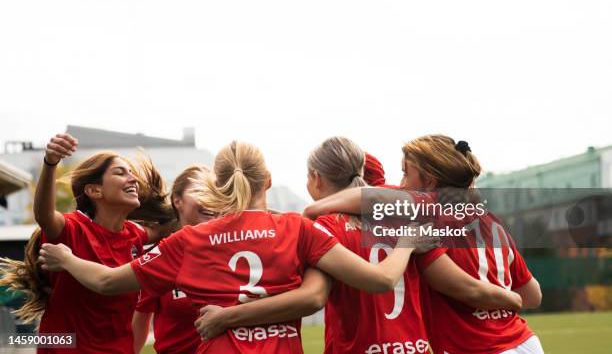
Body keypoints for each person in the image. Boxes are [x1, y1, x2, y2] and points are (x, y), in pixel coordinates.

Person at [37, 140, 433, 353]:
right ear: (269, 180)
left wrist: (68, 259)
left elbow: (106, 282)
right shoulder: (297, 228)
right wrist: (406, 243)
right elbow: (379, 281)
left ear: (218, 185)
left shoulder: (188, 240)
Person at [193, 137, 522, 354]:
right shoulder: (407, 220)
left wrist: (228, 316)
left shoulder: (324, 227)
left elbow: (312, 297)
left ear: (317, 180)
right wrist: (506, 296)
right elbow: (456, 279)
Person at [303, 134, 544, 354]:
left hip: (474, 347)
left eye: (406, 173)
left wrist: (313, 210)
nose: (402, 184)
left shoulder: (429, 211)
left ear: (429, 181)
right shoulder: (491, 221)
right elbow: (533, 295)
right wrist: (507, 299)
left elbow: (372, 196)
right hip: (525, 342)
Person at [0, 133, 174, 354]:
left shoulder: (135, 234)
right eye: (120, 173)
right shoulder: (73, 228)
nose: (133, 179)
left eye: (131, 173)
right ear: (94, 191)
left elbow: (173, 226)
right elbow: (43, 214)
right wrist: (50, 161)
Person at [132, 165, 218, 354]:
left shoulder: (233, 249)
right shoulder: (159, 256)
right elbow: (140, 322)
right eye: (199, 190)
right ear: (177, 201)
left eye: (214, 191)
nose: (209, 198)